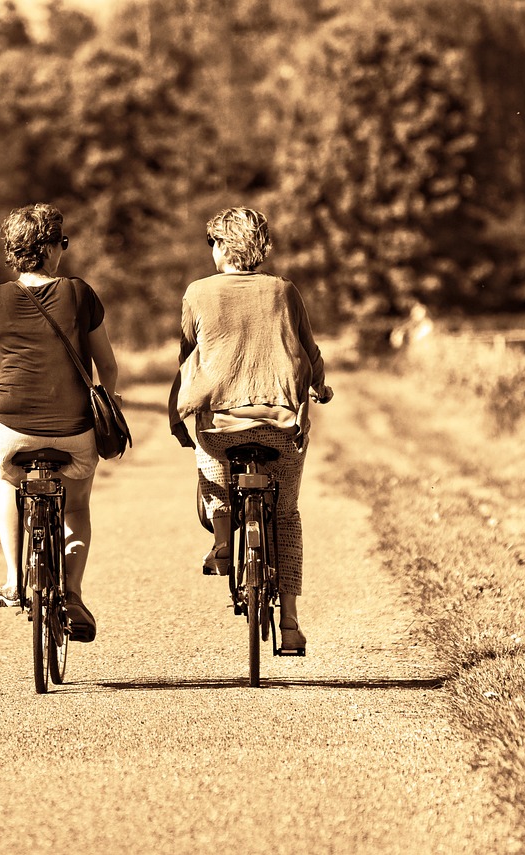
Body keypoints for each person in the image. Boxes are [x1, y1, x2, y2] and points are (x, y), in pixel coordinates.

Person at [167, 206, 331, 654]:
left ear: (221, 246)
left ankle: (223, 543)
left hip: (220, 423)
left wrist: (176, 412)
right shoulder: (284, 291)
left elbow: (188, 356)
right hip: (280, 423)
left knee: (213, 465)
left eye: (212, 243)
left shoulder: (197, 293)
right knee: (287, 515)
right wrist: (320, 387)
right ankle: (292, 625)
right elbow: (309, 351)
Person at [0, 203, 120, 642]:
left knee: (8, 479)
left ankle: (15, 579)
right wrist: (107, 400)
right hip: (74, 428)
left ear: (15, 251)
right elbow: (106, 367)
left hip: (12, 425)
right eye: (64, 243)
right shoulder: (79, 293)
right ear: (54, 247)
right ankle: (71, 593)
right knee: (75, 505)